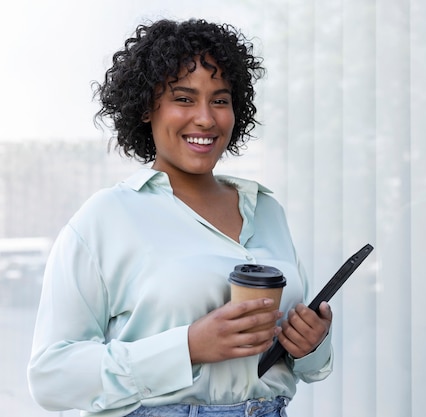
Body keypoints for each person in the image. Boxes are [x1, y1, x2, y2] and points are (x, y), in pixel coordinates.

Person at [27, 18, 333, 417]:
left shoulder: (267, 210)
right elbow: (52, 376)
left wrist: (310, 344)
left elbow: (306, 366)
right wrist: (186, 347)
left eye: (220, 100)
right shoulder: (107, 218)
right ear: (144, 109)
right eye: (184, 99)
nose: (206, 118)